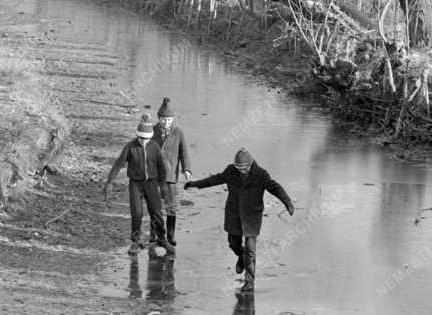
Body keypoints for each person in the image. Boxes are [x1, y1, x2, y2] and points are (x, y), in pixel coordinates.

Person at [184, 147, 293, 292]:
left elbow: (275, 188)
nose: (240, 170)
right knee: (233, 243)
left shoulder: (260, 174)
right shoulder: (231, 171)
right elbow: (215, 179)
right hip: (234, 214)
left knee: (250, 250)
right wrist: (195, 184)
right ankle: (240, 255)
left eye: (243, 168)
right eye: (238, 167)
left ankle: (249, 283)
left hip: (252, 216)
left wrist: (287, 202)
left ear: (249, 165)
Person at [104, 114, 176, 256]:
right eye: (141, 138)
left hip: (151, 183)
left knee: (156, 212)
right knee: (136, 212)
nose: (144, 141)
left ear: (150, 137)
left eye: (147, 139)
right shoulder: (130, 147)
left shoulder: (154, 147)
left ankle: (161, 238)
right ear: (137, 136)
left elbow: (161, 167)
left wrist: (163, 186)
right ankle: (135, 242)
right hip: (135, 184)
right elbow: (119, 164)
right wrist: (110, 182)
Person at [152, 97, 192, 247]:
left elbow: (184, 152)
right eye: (163, 119)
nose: (166, 122)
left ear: (172, 119)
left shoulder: (178, 132)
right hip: (154, 175)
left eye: (169, 119)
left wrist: (186, 169)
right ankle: (154, 234)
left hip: (170, 176)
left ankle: (170, 235)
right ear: (159, 118)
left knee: (171, 206)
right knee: (154, 206)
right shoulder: (152, 131)